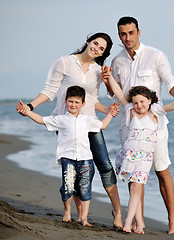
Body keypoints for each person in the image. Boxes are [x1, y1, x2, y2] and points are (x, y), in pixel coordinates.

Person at [16, 32, 123, 229]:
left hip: (89, 122)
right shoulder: (64, 62)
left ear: (103, 53)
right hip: (66, 123)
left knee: (104, 164)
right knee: (74, 166)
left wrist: (108, 109)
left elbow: (92, 100)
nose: (97, 49)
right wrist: (30, 107)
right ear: (89, 41)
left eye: (102, 49)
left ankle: (117, 211)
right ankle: (81, 214)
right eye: (96, 43)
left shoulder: (99, 70)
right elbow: (49, 90)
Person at [101, 16, 174, 234]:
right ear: (119, 36)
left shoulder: (156, 56)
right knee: (133, 174)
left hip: (155, 126)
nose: (127, 38)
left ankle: (172, 221)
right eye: (123, 34)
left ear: (139, 32)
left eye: (131, 33)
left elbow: (171, 82)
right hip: (128, 126)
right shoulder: (117, 61)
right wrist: (107, 80)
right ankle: (138, 220)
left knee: (162, 171)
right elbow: (113, 92)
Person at [102, 79, 174, 233]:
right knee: (135, 189)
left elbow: (173, 105)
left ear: (150, 100)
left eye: (142, 101)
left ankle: (128, 222)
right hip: (129, 157)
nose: (139, 105)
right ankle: (139, 225)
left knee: (135, 188)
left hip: (144, 160)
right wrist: (110, 77)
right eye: (136, 102)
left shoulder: (155, 112)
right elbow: (119, 93)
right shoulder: (131, 111)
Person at [18, 86, 118, 226]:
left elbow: (102, 126)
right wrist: (28, 111)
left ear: (83, 104)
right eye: (71, 101)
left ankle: (84, 218)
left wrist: (111, 114)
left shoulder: (87, 120)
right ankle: (67, 210)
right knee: (68, 187)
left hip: (86, 159)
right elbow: (41, 120)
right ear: (65, 101)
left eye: (77, 102)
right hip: (68, 158)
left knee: (85, 188)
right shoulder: (60, 119)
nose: (73, 105)